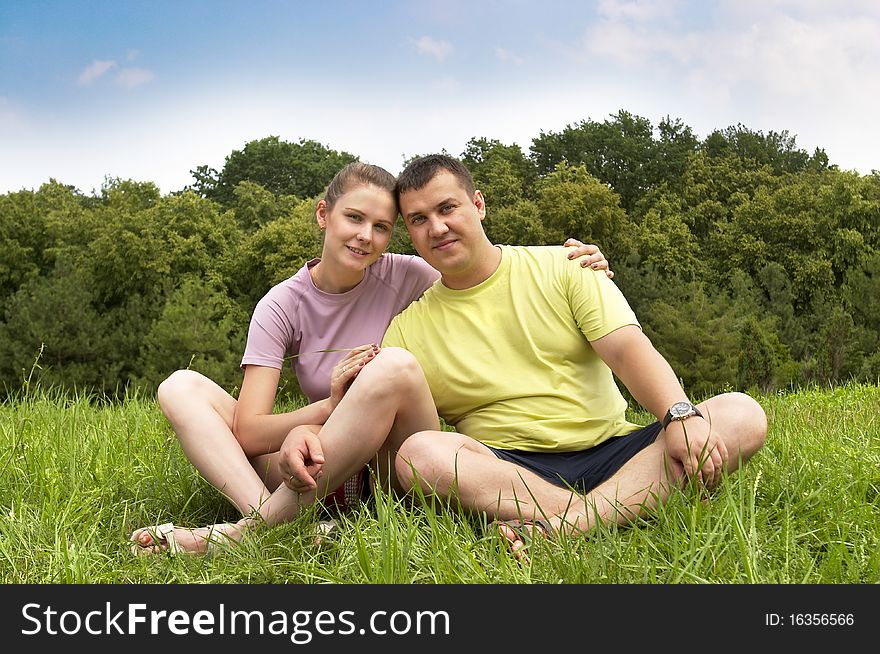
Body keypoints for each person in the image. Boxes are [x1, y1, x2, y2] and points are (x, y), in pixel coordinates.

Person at [129, 161, 611, 555]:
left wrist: (571, 261)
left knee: (396, 366)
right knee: (180, 386)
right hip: (314, 460)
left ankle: (254, 532)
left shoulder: (410, 275)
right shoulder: (282, 303)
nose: (366, 237)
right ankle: (270, 522)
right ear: (324, 215)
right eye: (354, 218)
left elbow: (484, 275)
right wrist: (322, 412)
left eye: (382, 228)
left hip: (385, 466)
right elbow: (250, 432)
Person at [374, 154, 768, 560]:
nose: (437, 228)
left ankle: (564, 525)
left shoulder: (566, 265)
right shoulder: (407, 329)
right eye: (418, 219)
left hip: (614, 449)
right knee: (420, 453)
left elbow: (629, 349)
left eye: (447, 208)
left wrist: (681, 416)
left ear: (478, 204)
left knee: (741, 412)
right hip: (508, 471)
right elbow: (388, 423)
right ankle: (624, 507)